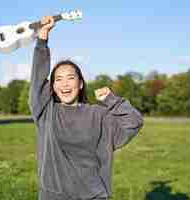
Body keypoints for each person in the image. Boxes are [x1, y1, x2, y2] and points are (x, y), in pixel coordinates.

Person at [30, 16, 143, 200]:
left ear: (81, 83)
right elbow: (37, 82)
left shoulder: (97, 115)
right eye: (58, 79)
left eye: (71, 78)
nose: (65, 84)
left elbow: (134, 121)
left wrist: (111, 100)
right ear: (52, 86)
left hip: (93, 195)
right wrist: (42, 39)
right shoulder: (47, 113)